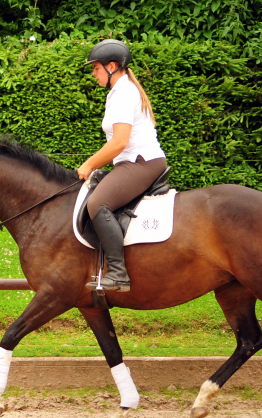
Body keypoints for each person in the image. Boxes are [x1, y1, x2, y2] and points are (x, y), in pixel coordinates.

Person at [78, 39, 167, 292]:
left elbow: (119, 142)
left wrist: (89, 164)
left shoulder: (123, 93)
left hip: (140, 163)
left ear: (112, 66)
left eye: (95, 68)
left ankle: (118, 273)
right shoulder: (119, 91)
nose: (93, 73)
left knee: (97, 203)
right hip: (135, 162)